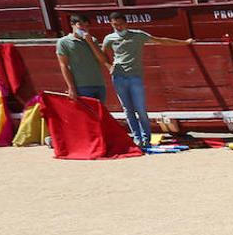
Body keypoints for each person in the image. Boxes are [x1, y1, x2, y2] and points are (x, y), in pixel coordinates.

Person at [101, 11, 194, 149]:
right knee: (128, 110)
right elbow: (101, 53)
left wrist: (184, 43)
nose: (118, 27)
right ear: (111, 24)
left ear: (126, 23)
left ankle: (146, 138)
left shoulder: (138, 35)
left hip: (134, 77)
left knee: (140, 109)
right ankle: (137, 139)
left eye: (120, 24)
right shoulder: (109, 38)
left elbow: (160, 40)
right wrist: (109, 66)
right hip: (119, 77)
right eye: (115, 25)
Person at [55, 13, 112, 102]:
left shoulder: (93, 40)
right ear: (72, 25)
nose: (83, 28)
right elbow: (64, 66)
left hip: (99, 84)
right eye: (80, 25)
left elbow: (103, 60)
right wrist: (71, 87)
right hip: (81, 86)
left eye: (86, 26)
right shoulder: (63, 42)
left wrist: (90, 42)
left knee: (99, 114)